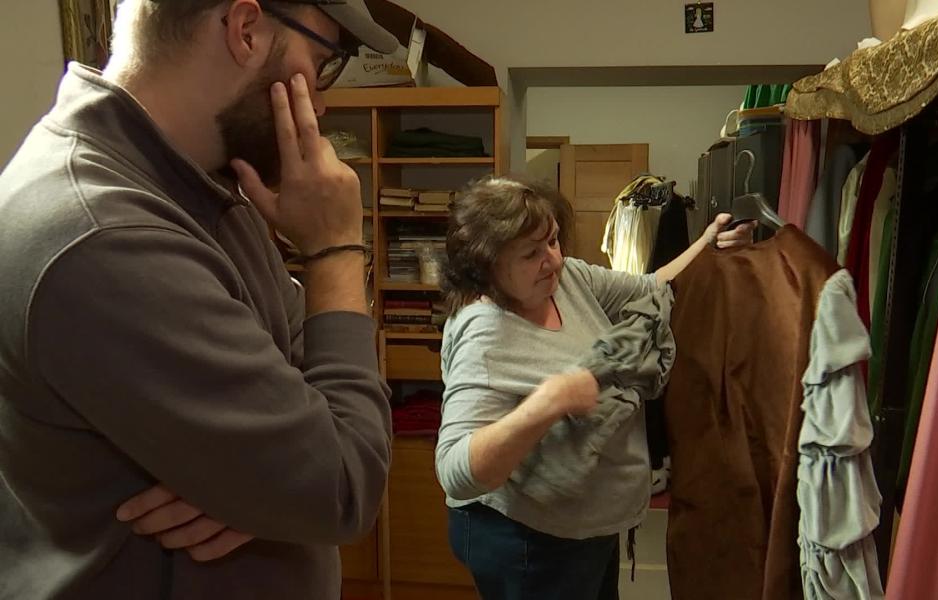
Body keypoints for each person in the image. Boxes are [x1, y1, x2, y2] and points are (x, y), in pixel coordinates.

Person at [0, 1, 396, 598]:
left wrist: (263, 484)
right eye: (323, 63)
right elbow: (341, 484)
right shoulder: (106, 234)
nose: (320, 102)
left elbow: (321, 398)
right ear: (245, 30)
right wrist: (336, 249)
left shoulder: (202, 185)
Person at [435, 176, 754, 599]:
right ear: (486, 265)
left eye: (552, 241)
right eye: (531, 253)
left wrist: (708, 244)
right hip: (529, 540)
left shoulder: (568, 281)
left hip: (587, 528)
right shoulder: (484, 335)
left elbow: (653, 286)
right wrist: (547, 402)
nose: (552, 259)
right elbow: (456, 473)